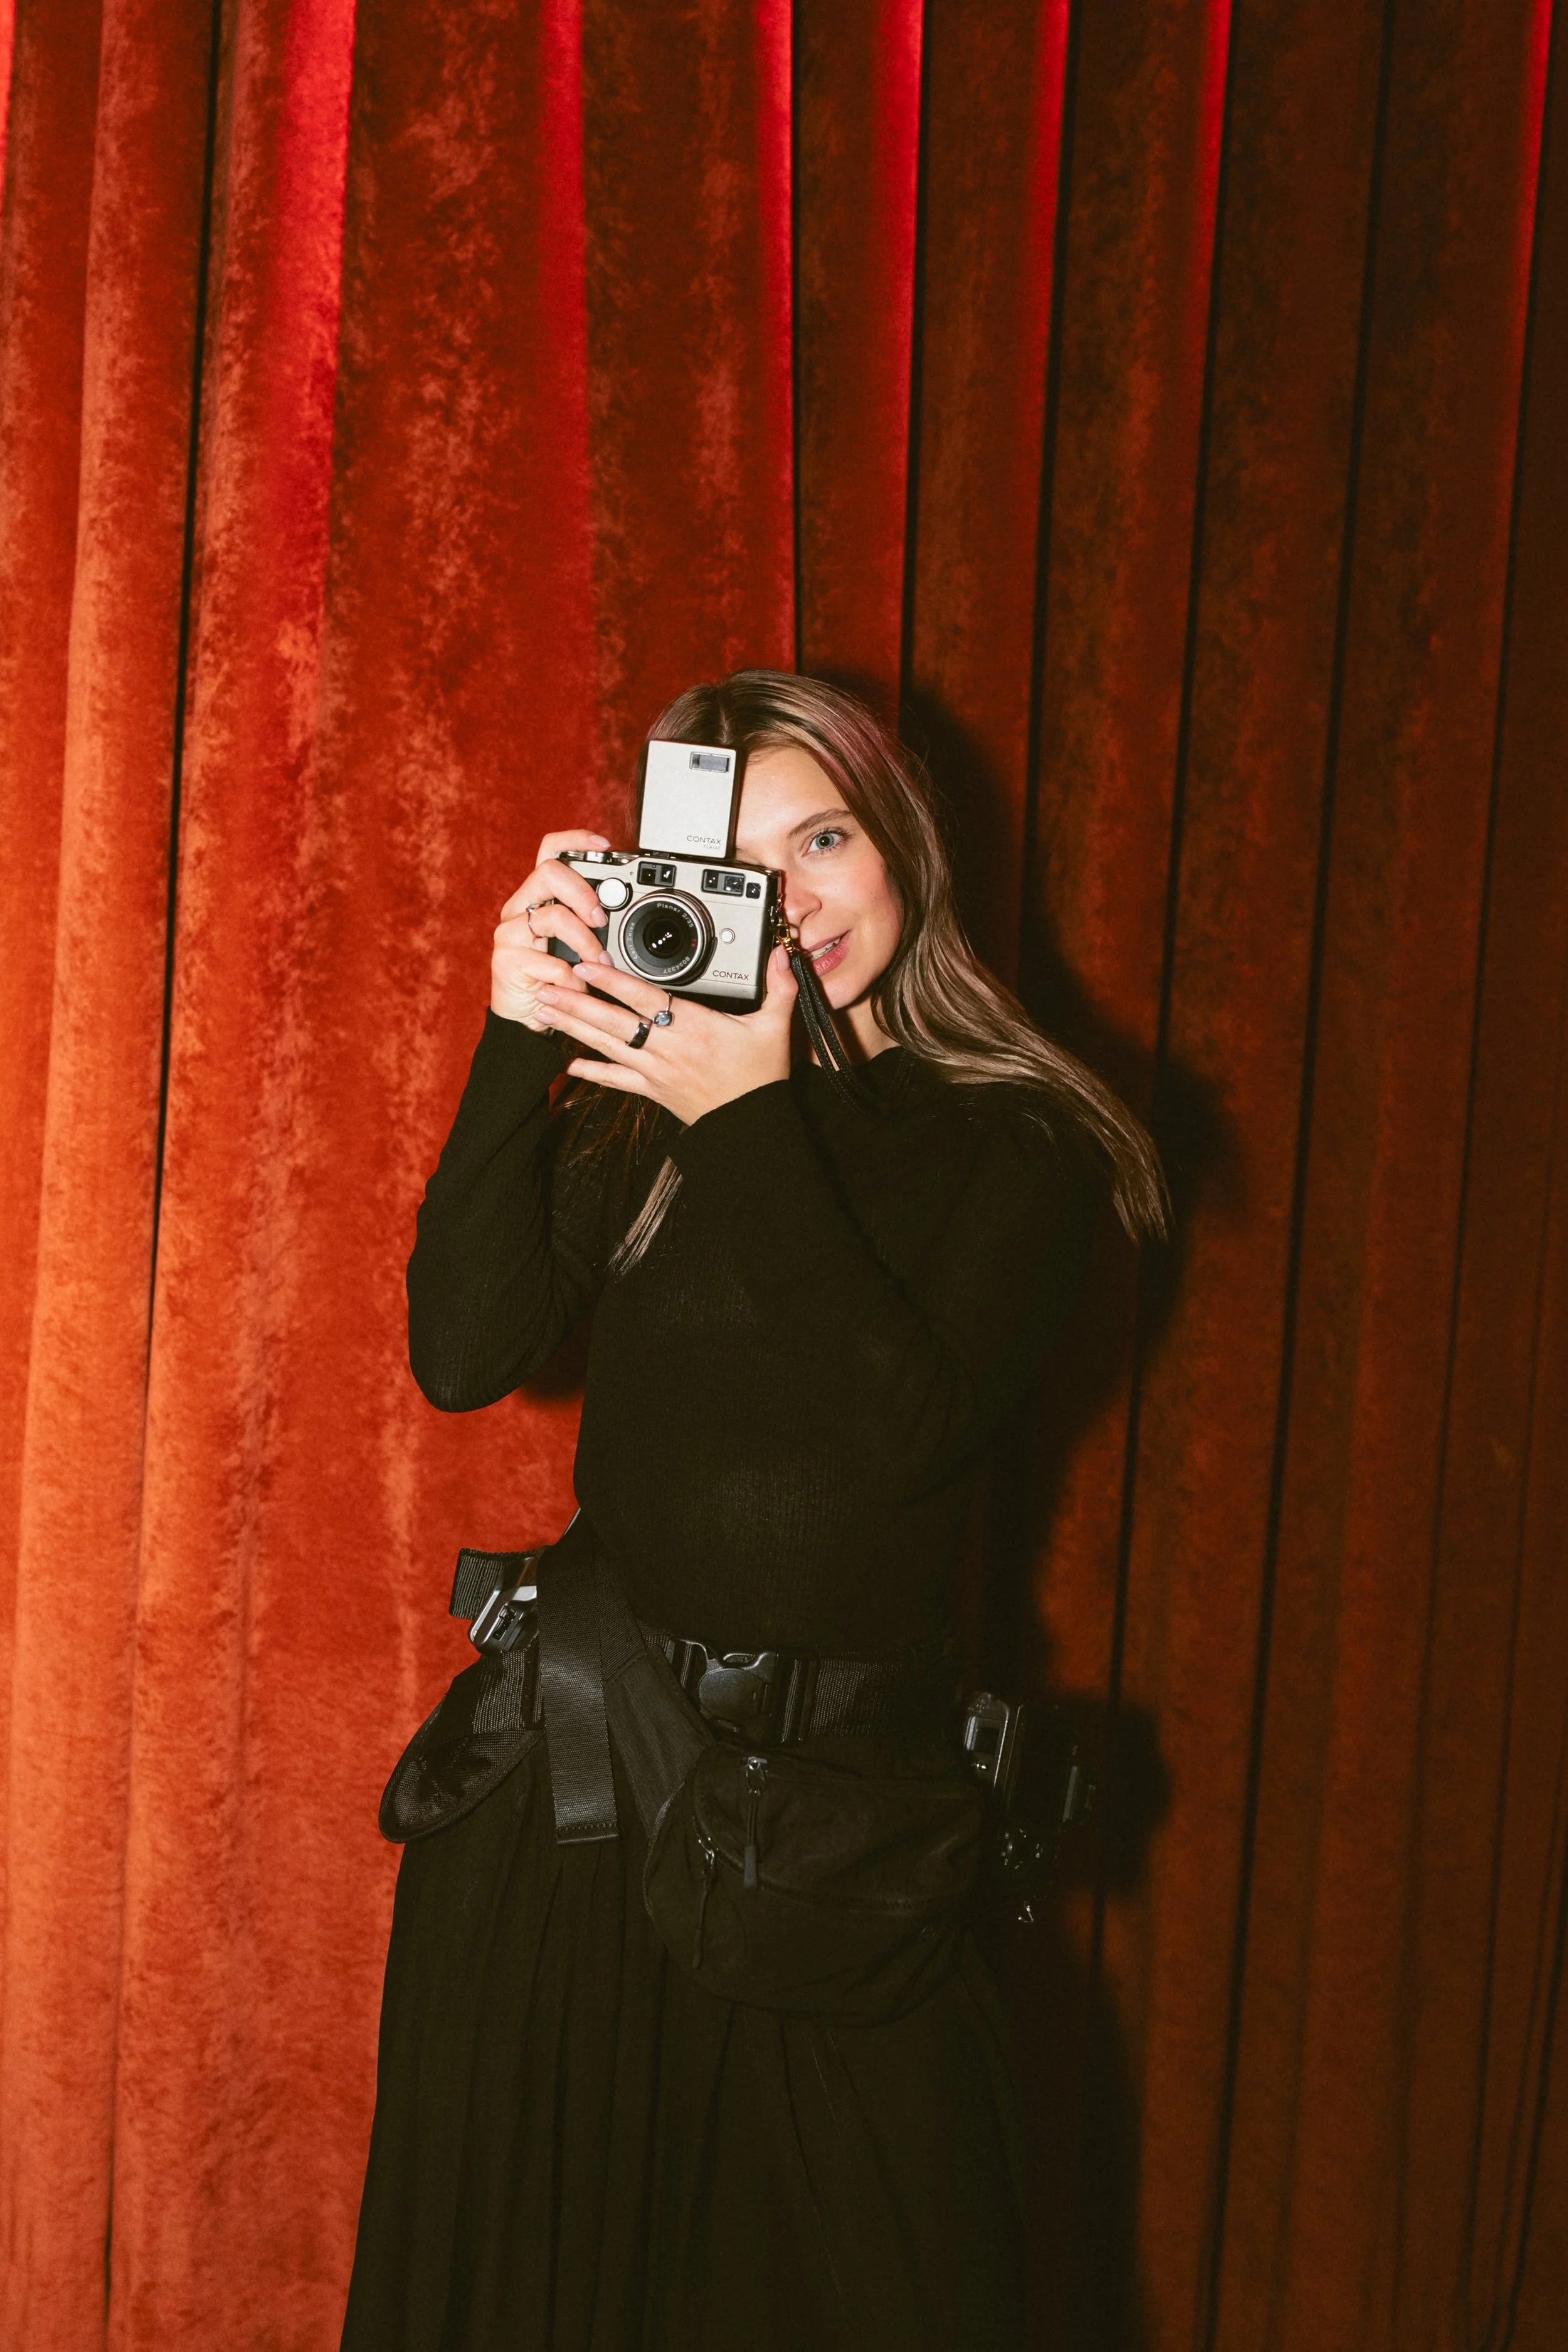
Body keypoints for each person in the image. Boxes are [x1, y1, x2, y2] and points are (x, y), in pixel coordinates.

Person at [339, 670, 1165, 2352]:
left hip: (836, 1857)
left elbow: (898, 1437)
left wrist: (752, 1112)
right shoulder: (650, 1117)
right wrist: (522, 1032)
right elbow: (460, 1348)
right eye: (742, 860)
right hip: (571, 1816)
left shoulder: (1023, 1144)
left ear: (905, 845)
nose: (794, 899)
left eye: (827, 836)